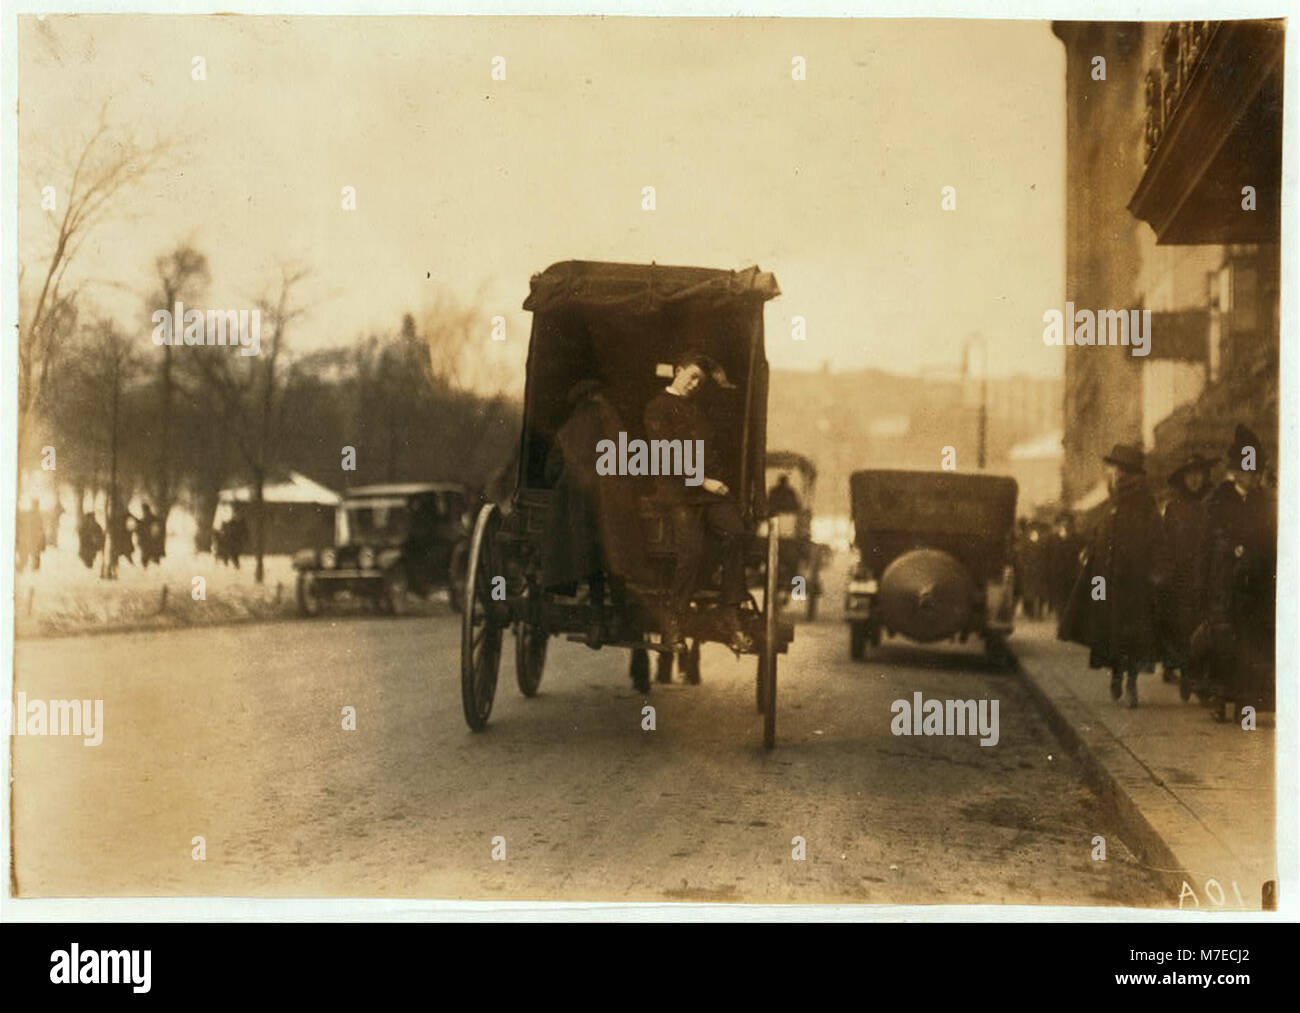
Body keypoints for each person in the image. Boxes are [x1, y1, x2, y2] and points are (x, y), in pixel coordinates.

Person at [643, 349, 751, 653]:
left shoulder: (697, 411)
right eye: (691, 377)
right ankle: (673, 620)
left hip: (707, 493)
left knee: (736, 533)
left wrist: (715, 485)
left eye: (700, 381)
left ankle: (728, 611)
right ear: (677, 371)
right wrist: (704, 481)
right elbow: (664, 457)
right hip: (677, 492)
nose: (694, 384)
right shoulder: (657, 408)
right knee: (690, 550)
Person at [541, 379, 650, 648]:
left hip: (577, 513)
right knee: (615, 560)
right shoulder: (611, 419)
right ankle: (622, 616)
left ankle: (597, 619)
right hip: (612, 507)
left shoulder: (569, 429)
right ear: (597, 396)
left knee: (591, 565)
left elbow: (551, 470)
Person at [1059, 443, 1162, 708]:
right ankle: (1118, 675)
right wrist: (1091, 555)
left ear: (1133, 474)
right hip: (1106, 577)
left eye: (1122, 471)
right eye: (1116, 470)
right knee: (1110, 629)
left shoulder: (1144, 504)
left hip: (1134, 580)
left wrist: (1154, 572)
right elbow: (1101, 535)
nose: (1117, 475)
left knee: (1133, 634)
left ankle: (1130, 683)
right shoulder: (1111, 501)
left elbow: (1155, 539)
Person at [1195, 425, 1276, 723]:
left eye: (1256, 473)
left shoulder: (1263, 504)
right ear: (1236, 472)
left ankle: (1247, 706)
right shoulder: (1218, 502)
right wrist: (1202, 583)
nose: (1254, 478)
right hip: (1224, 584)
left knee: (1251, 647)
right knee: (1223, 642)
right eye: (1249, 472)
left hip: (1254, 587)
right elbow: (1206, 546)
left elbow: (1270, 543)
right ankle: (1218, 697)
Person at [1156, 452, 1213, 695]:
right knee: (1182, 627)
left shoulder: (1211, 504)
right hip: (1180, 578)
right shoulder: (1173, 508)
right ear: (1183, 479)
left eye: (1198, 475)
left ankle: (1196, 674)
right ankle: (1187, 673)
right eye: (1190, 476)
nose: (1194, 480)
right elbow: (1165, 543)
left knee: (1202, 626)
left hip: (1206, 574)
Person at [1046, 511, 1083, 617]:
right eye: (1062, 522)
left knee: (1070, 602)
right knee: (1061, 605)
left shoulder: (1078, 539)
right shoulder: (1052, 540)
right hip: (1057, 576)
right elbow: (1048, 558)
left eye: (1067, 522)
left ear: (1071, 524)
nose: (1065, 524)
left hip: (1072, 576)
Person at [16, 499, 46, 572]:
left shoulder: (37, 515)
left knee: (35, 553)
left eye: (35, 504)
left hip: (35, 537)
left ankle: (35, 568)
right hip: (31, 536)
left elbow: (41, 527)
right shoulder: (31, 514)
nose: (35, 506)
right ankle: (29, 567)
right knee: (30, 553)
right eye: (34, 504)